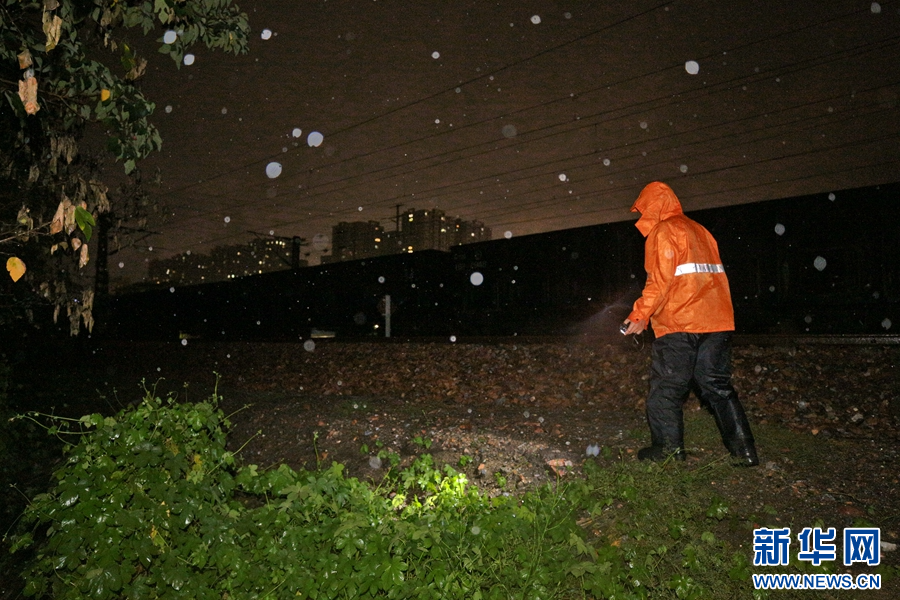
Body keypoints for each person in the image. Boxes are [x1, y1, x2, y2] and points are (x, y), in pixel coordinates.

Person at [622, 181, 759, 466]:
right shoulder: (701, 231)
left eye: (643, 210)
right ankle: (744, 451)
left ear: (653, 207)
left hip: (679, 322)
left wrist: (639, 315)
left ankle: (668, 452)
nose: (642, 217)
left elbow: (659, 281)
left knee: (667, 389)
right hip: (715, 321)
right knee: (718, 387)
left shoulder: (663, 232)